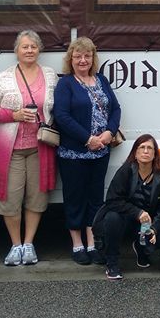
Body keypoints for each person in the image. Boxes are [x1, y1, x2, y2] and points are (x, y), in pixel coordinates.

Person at [0, 30, 57, 267]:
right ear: (16, 50)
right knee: (10, 198)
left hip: (40, 147)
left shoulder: (50, 75)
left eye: (33, 46)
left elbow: (57, 107)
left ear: (39, 50)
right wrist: (13, 115)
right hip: (12, 150)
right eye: (24, 47)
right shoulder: (5, 77)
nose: (29, 50)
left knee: (37, 197)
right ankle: (15, 245)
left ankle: (28, 244)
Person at [52, 37, 121, 265]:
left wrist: (110, 132)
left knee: (95, 198)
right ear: (70, 59)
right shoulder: (66, 84)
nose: (83, 60)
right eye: (78, 56)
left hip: (100, 152)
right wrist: (88, 139)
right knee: (75, 198)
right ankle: (77, 244)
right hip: (74, 154)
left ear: (93, 58)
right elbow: (62, 116)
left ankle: (92, 243)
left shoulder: (101, 80)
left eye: (87, 56)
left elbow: (116, 108)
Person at [93, 134, 160, 280]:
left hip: (148, 223)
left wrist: (155, 228)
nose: (145, 151)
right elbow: (112, 200)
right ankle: (112, 262)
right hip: (125, 219)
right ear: (135, 153)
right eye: (142, 147)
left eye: (150, 148)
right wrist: (137, 212)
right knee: (112, 217)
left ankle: (141, 248)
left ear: (155, 154)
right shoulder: (125, 171)